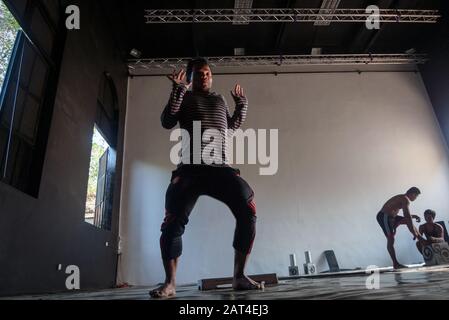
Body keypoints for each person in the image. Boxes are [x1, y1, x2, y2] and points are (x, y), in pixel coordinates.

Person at [150, 58, 261, 298]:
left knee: (248, 209)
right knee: (172, 223)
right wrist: (179, 90)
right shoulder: (185, 97)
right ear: (191, 78)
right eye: (199, 74)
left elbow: (229, 127)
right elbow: (167, 121)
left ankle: (239, 277)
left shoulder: (219, 99)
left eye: (208, 73)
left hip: (219, 168)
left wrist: (241, 105)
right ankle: (170, 284)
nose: (205, 77)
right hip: (190, 169)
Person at [376, 187, 423, 269]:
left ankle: (421, 240)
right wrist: (413, 232)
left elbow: (406, 216)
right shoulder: (405, 199)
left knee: (408, 222)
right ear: (413, 194)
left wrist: (413, 216)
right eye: (416, 196)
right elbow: (407, 216)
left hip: (392, 217)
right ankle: (395, 263)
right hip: (384, 217)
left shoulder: (403, 198)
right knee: (391, 239)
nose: (415, 198)